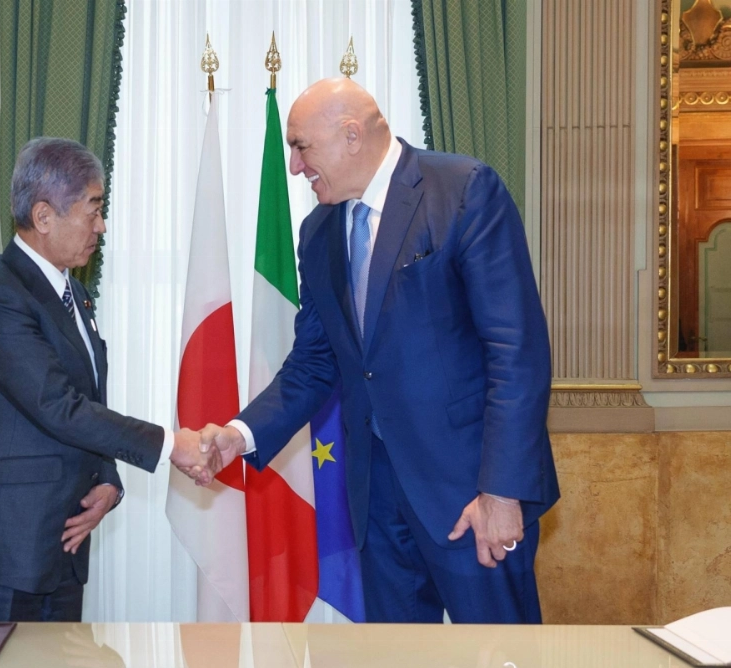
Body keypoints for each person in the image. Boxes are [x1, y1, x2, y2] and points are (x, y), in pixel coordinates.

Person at [201, 79, 559, 624]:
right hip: (377, 504)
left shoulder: (462, 190)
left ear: (350, 136)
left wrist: (503, 491)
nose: (295, 167)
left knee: (500, 657)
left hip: (471, 497)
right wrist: (239, 434)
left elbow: (517, 353)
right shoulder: (318, 232)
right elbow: (317, 361)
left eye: (301, 147)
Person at [0, 137, 217, 623]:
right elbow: (57, 406)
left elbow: (85, 402)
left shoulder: (74, 294)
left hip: (59, 544)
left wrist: (106, 480)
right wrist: (172, 445)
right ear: (44, 217)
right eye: (93, 211)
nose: (101, 227)